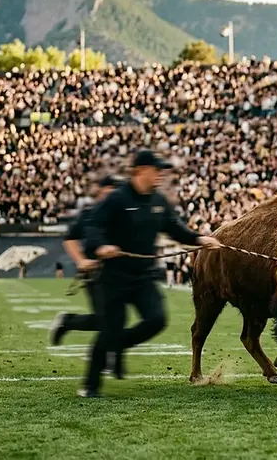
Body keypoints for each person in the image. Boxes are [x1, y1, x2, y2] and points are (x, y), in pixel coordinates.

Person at [82, 150, 221, 397]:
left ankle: (116, 345)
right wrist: (100, 246)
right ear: (140, 170)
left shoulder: (158, 200)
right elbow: (93, 225)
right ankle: (89, 386)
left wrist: (201, 239)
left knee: (156, 319)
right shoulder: (117, 199)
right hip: (114, 277)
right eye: (156, 170)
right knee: (110, 328)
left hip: (143, 276)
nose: (160, 175)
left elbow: (175, 228)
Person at [50, 175, 120, 374]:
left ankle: (67, 322)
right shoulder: (90, 214)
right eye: (109, 191)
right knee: (107, 318)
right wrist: (81, 261)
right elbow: (70, 238)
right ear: (101, 192)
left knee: (109, 318)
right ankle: (107, 359)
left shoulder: (123, 216)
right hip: (95, 274)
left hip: (118, 275)